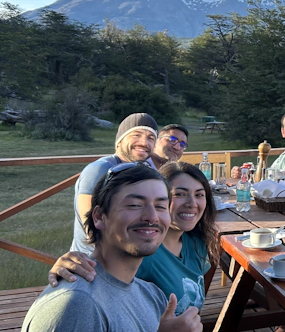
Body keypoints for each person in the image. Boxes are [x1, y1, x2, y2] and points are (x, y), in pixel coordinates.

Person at [23, 163, 201, 332]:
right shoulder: (77, 304)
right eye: (135, 205)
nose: (152, 217)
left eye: (161, 206)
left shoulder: (152, 295)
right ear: (100, 217)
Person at [71, 113, 158, 254]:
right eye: (136, 135)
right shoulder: (100, 169)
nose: (144, 142)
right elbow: (90, 226)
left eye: (151, 138)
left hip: (127, 260)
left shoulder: (141, 171)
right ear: (119, 141)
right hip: (92, 263)